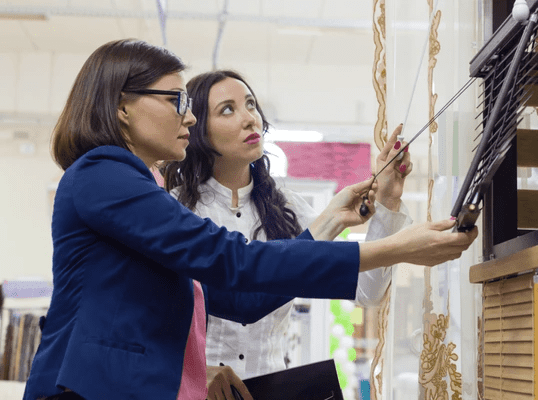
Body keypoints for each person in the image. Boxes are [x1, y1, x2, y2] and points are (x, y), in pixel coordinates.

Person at [24, 38, 477, 400]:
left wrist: (350, 223)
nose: (188, 113)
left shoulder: (150, 189)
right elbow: (233, 261)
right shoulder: (104, 175)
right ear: (122, 107)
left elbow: (241, 298)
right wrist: (396, 247)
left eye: (250, 105)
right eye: (176, 100)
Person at [161, 70, 416, 396]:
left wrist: (388, 201)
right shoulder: (174, 210)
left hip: (273, 388)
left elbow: (368, 291)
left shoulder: (288, 210)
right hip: (196, 391)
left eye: (250, 104)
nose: (249, 119)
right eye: (228, 109)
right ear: (200, 131)